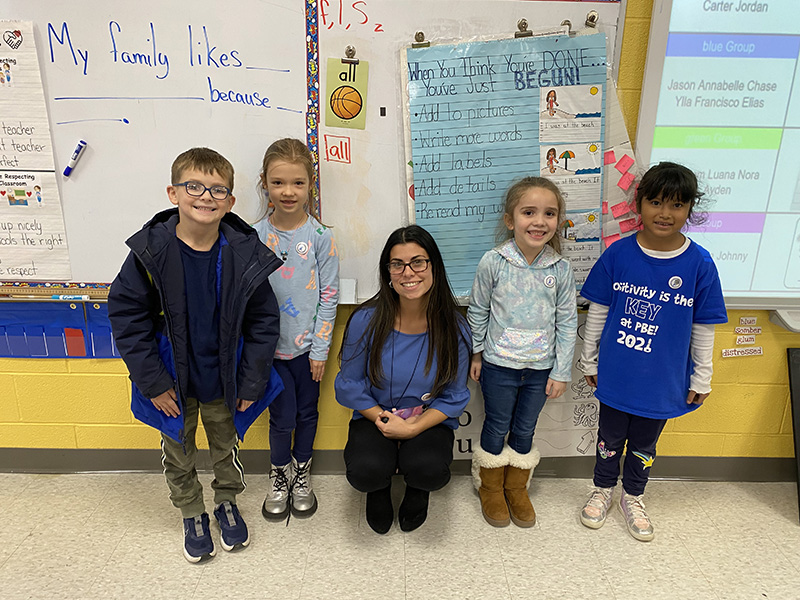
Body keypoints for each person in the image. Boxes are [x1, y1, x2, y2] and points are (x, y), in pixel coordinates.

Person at [108, 147, 283, 562]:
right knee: (178, 449)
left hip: (225, 379)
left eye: (218, 189)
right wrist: (152, 381)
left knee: (226, 446)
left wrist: (253, 379)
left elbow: (263, 322)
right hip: (171, 382)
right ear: (173, 193)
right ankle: (191, 511)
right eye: (194, 186)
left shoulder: (243, 253)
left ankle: (226, 502)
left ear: (231, 201)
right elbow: (127, 317)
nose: (206, 197)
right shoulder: (150, 253)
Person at [577, 162, 727, 541]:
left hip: (663, 380)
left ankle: (633, 495)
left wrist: (702, 376)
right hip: (617, 372)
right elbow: (598, 310)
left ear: (691, 208)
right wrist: (588, 358)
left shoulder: (700, 264)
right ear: (638, 204)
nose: (665, 213)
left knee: (644, 443)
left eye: (677, 204)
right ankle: (602, 489)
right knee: (609, 437)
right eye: (656, 202)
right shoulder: (618, 254)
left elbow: (703, 326)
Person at [335, 225, 471, 534]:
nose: (408, 272)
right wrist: (385, 421)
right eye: (398, 264)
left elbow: (454, 396)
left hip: (427, 420)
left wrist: (411, 428)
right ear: (388, 272)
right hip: (375, 416)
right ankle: (378, 490)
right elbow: (349, 386)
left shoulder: (455, 328)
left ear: (433, 266)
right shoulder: (365, 320)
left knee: (430, 469)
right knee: (366, 471)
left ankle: (417, 490)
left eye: (418, 262)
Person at [468, 176, 577, 528]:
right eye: (529, 212)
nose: (539, 221)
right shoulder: (493, 262)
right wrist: (476, 353)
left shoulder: (560, 269)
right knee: (497, 425)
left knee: (525, 428)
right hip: (499, 366)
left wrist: (561, 371)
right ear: (510, 219)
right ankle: (490, 486)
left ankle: (517, 487)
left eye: (549, 213)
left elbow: (566, 322)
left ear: (558, 221)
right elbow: (478, 310)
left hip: (541, 369)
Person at [254, 138, 340, 520]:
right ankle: (279, 475)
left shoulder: (321, 238)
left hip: (308, 353)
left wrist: (320, 350)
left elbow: (329, 296)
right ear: (265, 184)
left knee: (307, 414)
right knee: (281, 418)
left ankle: (302, 475)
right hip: (269, 353)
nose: (288, 192)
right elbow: (246, 301)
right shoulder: (252, 237)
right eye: (278, 183)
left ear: (310, 185)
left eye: (298, 183)